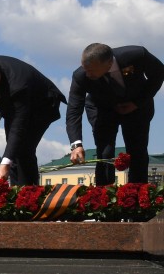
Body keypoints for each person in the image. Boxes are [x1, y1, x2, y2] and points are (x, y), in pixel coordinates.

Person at [66, 43, 164, 185]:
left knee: (137, 152)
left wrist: (137, 103)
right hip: (102, 109)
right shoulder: (80, 76)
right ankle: (103, 196)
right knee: (105, 153)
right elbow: (74, 109)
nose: (87, 74)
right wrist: (76, 144)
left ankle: (136, 195)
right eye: (84, 68)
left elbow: (159, 73)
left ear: (109, 63)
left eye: (91, 70)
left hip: (137, 107)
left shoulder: (137, 55)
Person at [0, 56, 66, 185]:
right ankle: (16, 192)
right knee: (13, 152)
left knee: (24, 149)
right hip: (12, 107)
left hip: (41, 106)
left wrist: (5, 163)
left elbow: (18, 127)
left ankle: (29, 195)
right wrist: (7, 160)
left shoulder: (17, 86)